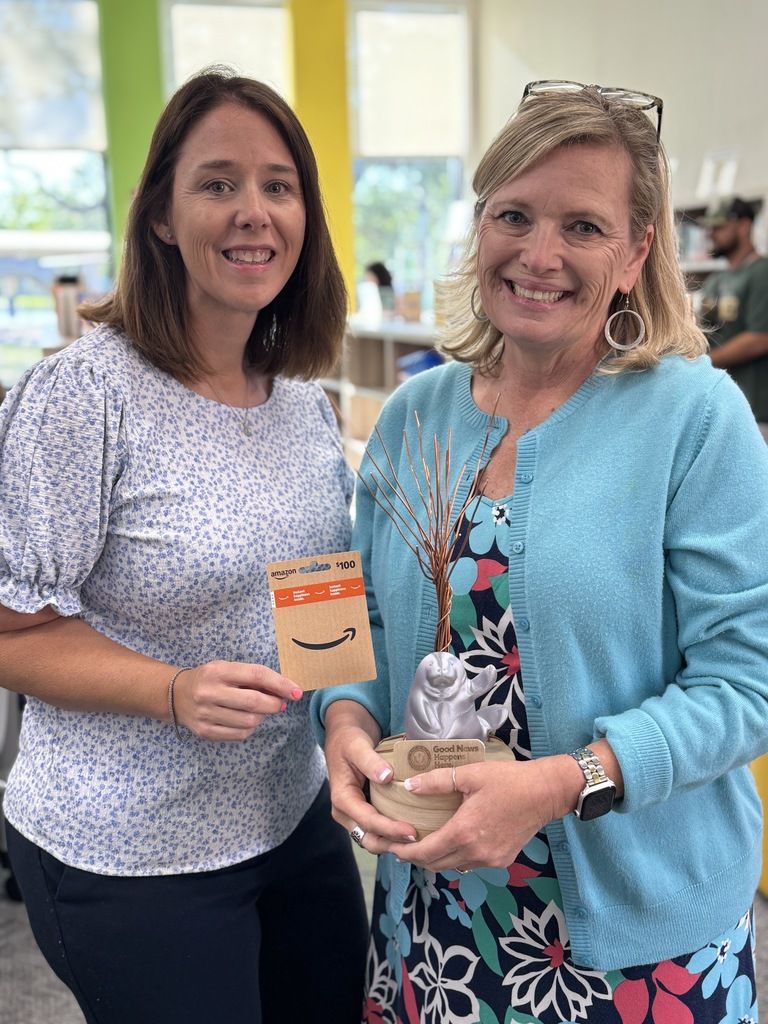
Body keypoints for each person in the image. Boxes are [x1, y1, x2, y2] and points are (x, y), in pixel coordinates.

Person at [312, 81, 768, 1022]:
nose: (540, 254)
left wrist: (561, 784)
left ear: (639, 251)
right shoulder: (413, 417)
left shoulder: (696, 420)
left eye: (585, 227)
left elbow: (746, 683)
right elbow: (349, 618)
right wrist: (342, 725)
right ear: (479, 227)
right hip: (432, 919)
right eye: (512, 215)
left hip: (635, 944)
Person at [0, 66, 367, 1024]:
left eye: (278, 185)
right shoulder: (87, 395)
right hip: (128, 850)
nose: (254, 212)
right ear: (161, 216)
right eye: (218, 183)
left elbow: (321, 605)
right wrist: (171, 689)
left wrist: (346, 723)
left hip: (290, 813)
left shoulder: (304, 408)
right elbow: (9, 628)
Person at [697, 195, 768, 436]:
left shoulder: (762, 273)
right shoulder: (716, 279)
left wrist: (702, 362)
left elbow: (760, 338)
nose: (711, 234)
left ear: (744, 226)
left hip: (755, 413)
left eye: (718, 227)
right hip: (716, 408)